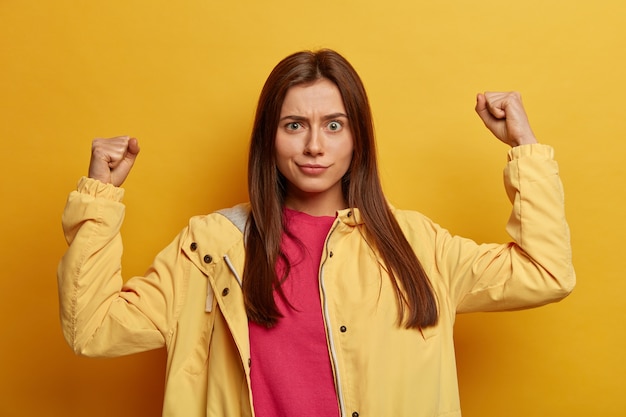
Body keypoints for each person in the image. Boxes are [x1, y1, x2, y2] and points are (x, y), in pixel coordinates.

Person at [57, 49, 575, 417]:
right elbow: (93, 328)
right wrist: (100, 198)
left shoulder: (416, 245)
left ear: (357, 138)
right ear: (270, 138)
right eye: (293, 125)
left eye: (333, 124)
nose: (314, 146)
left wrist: (525, 148)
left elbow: (546, 273)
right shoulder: (210, 248)